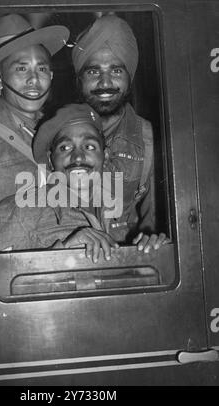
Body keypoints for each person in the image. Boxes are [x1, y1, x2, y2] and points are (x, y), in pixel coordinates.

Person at [0, 104, 168, 262]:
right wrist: (64, 250)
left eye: (89, 147)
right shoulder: (20, 212)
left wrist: (153, 252)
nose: (78, 157)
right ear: (51, 161)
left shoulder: (124, 212)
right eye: (65, 148)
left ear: (105, 157)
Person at [72, 14, 158, 245]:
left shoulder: (148, 139)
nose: (105, 82)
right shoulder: (53, 134)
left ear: (130, 78)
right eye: (93, 72)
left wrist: (152, 241)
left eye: (116, 71)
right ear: (79, 80)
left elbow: (155, 224)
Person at [0, 13, 69, 212]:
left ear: (52, 75)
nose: (34, 80)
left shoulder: (60, 132)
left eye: (42, 69)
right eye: (21, 68)